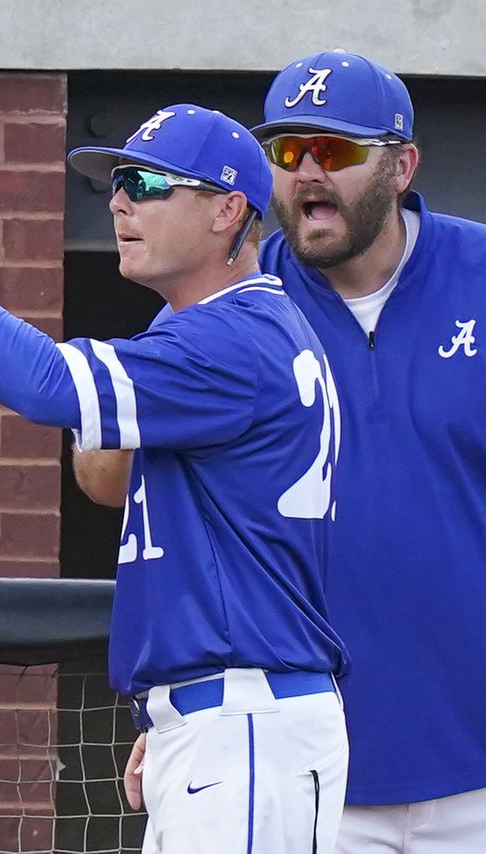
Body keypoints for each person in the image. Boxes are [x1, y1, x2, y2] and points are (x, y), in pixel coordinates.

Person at [0, 104, 349, 854]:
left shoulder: (229, 338)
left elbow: (45, 385)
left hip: (245, 719)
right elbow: (106, 480)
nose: (120, 201)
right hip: (230, 716)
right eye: (118, 182)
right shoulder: (234, 329)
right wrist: (172, 712)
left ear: (227, 210)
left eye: (150, 182)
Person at [76, 50, 486, 854]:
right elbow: (102, 477)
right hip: (305, 765)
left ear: (401, 165)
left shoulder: (480, 274)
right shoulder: (237, 295)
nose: (305, 175)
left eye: (333, 152)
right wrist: (205, 716)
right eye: (287, 152)